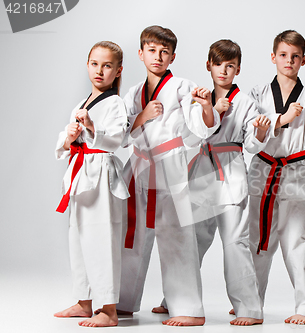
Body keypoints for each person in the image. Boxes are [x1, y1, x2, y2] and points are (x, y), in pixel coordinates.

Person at [154, 39, 271, 326]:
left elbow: (253, 145)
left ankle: (249, 310)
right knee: (189, 240)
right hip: (203, 172)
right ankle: (177, 300)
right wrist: (211, 108)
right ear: (209, 66)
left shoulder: (245, 102)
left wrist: (260, 132)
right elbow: (193, 136)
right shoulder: (197, 97)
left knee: (234, 243)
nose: (223, 70)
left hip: (230, 173)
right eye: (218, 64)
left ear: (238, 70)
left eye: (230, 66)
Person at [117, 25, 220, 327]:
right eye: (152, 50)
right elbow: (121, 136)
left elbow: (199, 130)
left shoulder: (183, 87)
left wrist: (206, 107)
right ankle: (122, 301)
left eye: (164, 52)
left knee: (177, 235)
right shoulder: (134, 93)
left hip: (169, 165)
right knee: (130, 234)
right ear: (141, 53)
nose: (158, 57)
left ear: (172, 56)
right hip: (137, 167)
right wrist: (142, 116)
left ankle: (188, 308)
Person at [247, 30, 305, 325]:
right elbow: (250, 136)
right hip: (264, 170)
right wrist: (277, 121)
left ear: (304, 60)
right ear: (273, 57)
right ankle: (250, 303)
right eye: (283, 55)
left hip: (298, 172)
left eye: (295, 56)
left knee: (301, 239)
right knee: (258, 239)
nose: (289, 61)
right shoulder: (257, 94)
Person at [54, 41, 129, 327]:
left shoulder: (115, 103)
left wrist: (92, 128)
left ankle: (108, 309)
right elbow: (64, 143)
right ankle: (84, 302)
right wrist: (69, 137)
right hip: (80, 174)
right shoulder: (81, 103)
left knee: (101, 240)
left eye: (107, 65)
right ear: (87, 65)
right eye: (95, 64)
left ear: (118, 70)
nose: (100, 70)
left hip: (101, 176)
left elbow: (119, 138)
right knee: (79, 237)